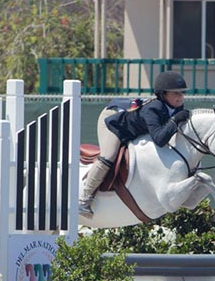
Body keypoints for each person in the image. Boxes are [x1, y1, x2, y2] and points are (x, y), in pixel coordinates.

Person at [79, 71, 191, 218]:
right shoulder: (154, 109)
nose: (180, 97)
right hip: (113, 122)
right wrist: (175, 120)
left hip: (132, 127)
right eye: (175, 93)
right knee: (108, 156)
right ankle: (83, 199)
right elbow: (159, 138)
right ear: (163, 94)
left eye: (182, 93)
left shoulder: (177, 108)